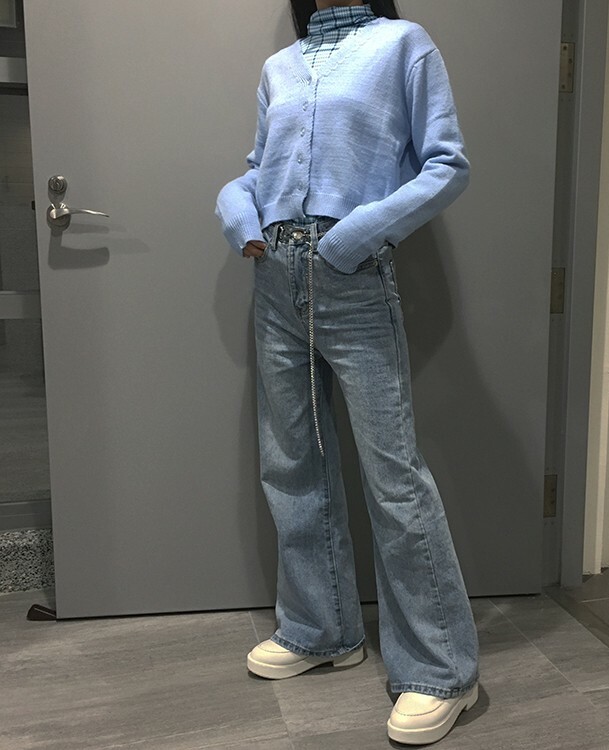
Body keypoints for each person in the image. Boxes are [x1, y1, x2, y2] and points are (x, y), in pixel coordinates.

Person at [214, 0, 479, 743]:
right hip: (274, 279)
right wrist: (237, 213)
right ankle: (319, 629)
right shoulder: (280, 66)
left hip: (352, 276)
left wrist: (358, 235)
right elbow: (254, 171)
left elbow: (447, 164)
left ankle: (441, 670)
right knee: (291, 460)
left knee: (392, 474)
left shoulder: (403, 45)